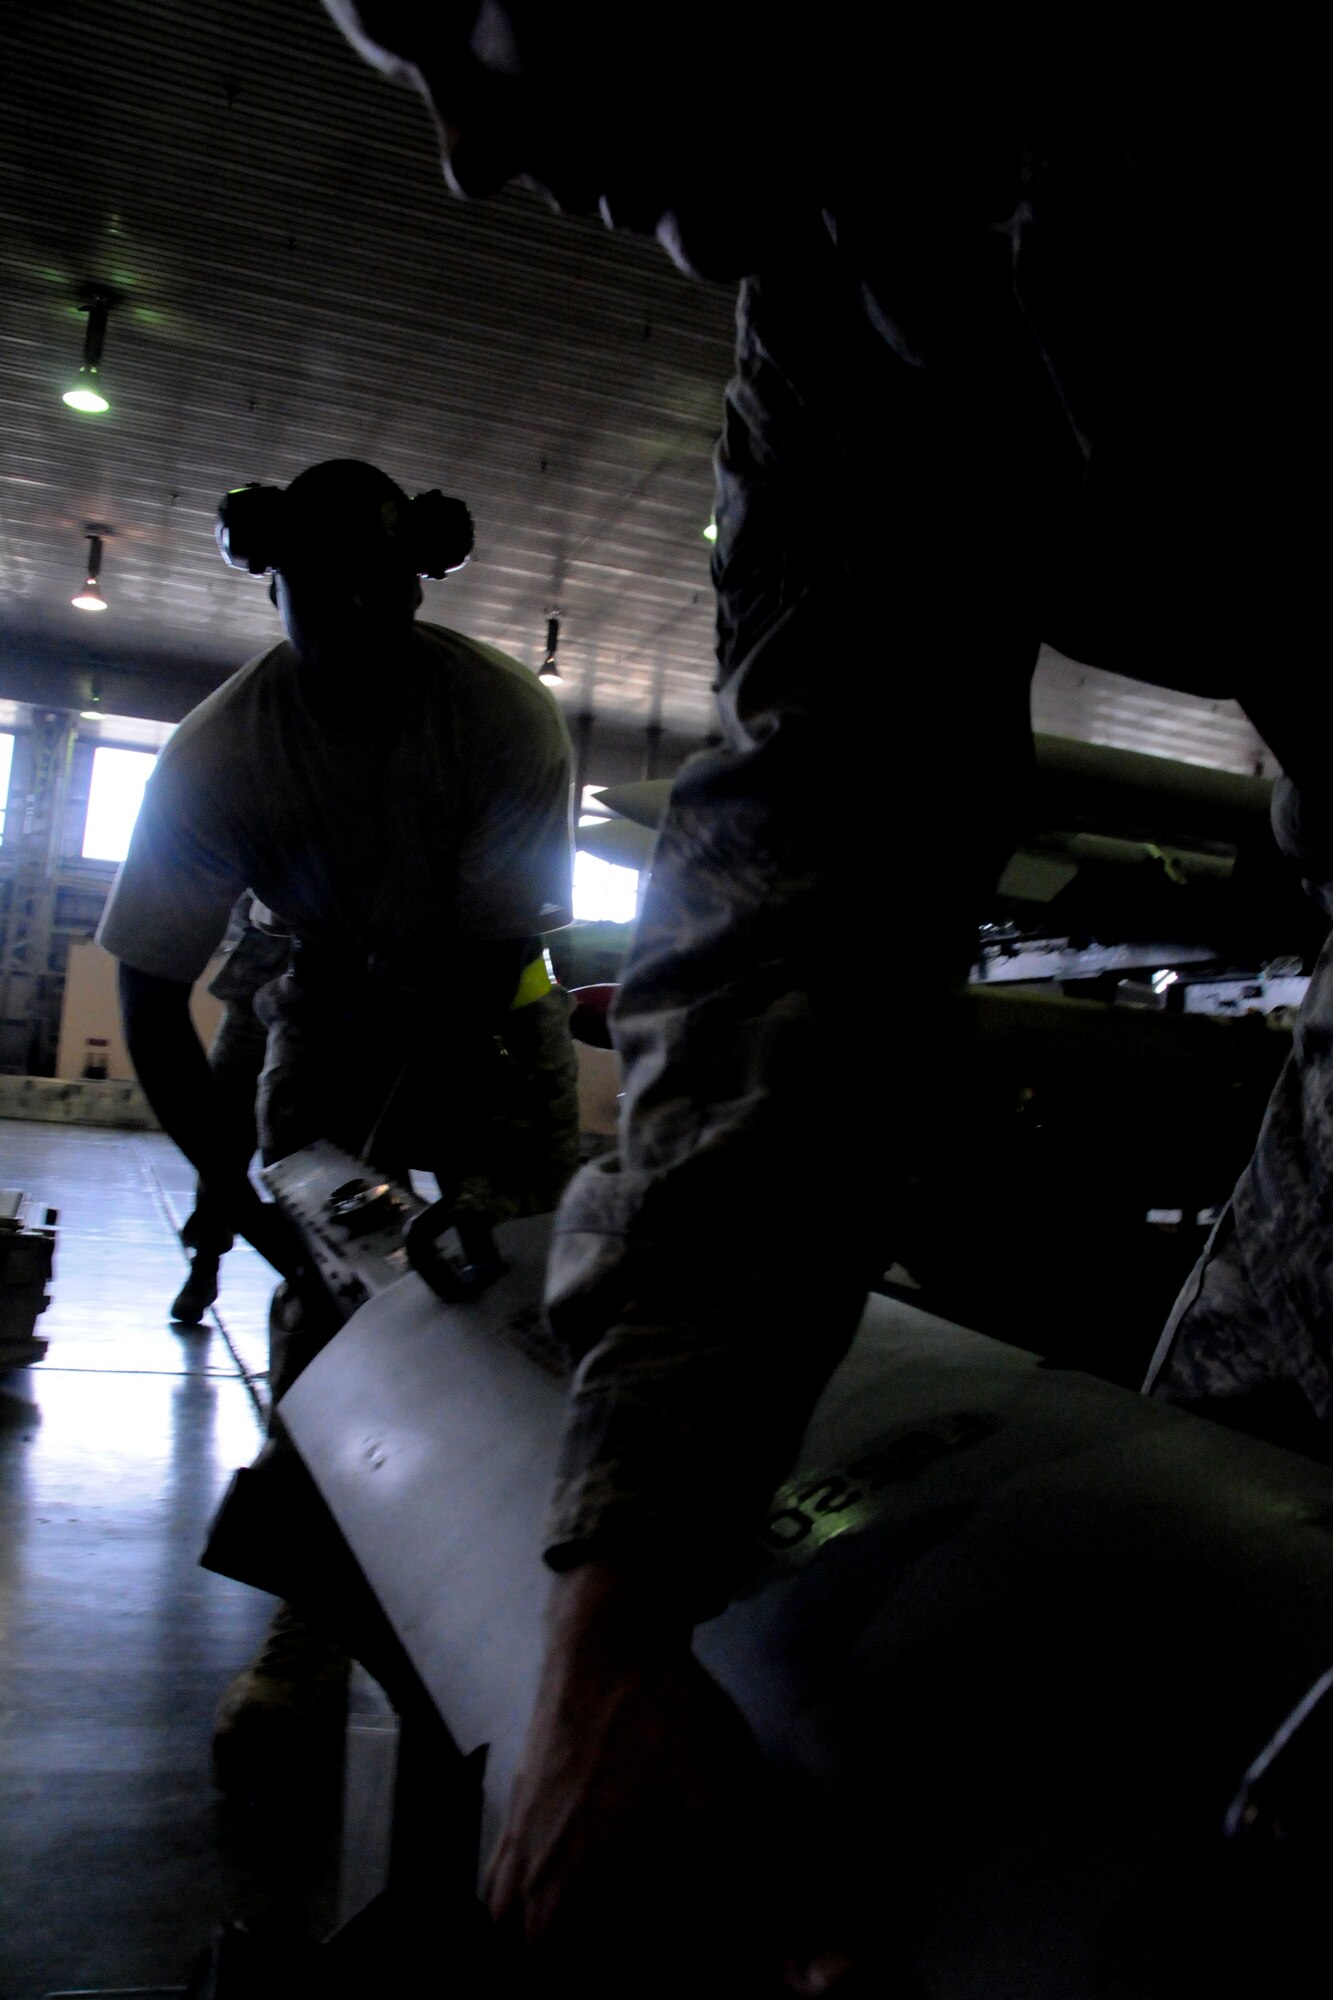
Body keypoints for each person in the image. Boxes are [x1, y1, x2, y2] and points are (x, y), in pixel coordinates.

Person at [317, 10, 1321, 1989]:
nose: (463, 150)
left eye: (463, 10)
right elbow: (801, 900)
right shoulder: (860, 324)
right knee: (1226, 1602)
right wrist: (615, 1611)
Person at [99, 454, 580, 1775]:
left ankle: (534, 1620)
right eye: (324, 588)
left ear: (424, 577)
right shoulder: (217, 755)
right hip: (324, 997)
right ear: (271, 579)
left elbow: (486, 963)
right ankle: (311, 1626)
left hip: (490, 1014)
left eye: (386, 584)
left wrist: (412, 1208)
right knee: (321, 1323)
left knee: (519, 1283)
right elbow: (151, 1000)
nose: (358, 613)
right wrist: (252, 1206)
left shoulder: (501, 718)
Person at [169, 893, 290, 1325]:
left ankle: (312, 1279)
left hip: (329, 1003)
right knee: (220, 1138)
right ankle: (204, 1267)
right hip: (252, 997)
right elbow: (236, 904)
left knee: (308, 1151)